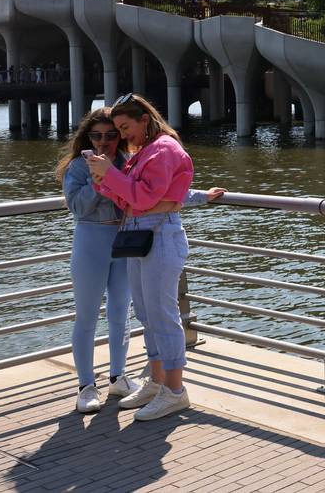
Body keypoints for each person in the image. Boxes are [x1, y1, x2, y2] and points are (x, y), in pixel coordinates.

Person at [59, 107, 224, 414]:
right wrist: (99, 178)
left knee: (123, 313)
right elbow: (78, 208)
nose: (105, 141)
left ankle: (118, 376)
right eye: (97, 135)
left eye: (113, 134)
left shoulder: (127, 161)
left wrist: (201, 196)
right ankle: (85, 386)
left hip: (125, 240)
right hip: (91, 240)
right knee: (87, 316)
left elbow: (155, 192)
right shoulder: (79, 167)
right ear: (87, 137)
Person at [87, 93, 199, 421]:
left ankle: (175, 390)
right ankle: (158, 380)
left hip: (160, 237)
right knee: (147, 314)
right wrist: (102, 178)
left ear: (144, 120)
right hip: (142, 236)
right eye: (119, 130)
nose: (123, 136)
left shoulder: (164, 149)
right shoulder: (144, 153)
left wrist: (112, 176)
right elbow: (130, 200)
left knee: (162, 315)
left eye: (125, 127)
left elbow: (143, 196)